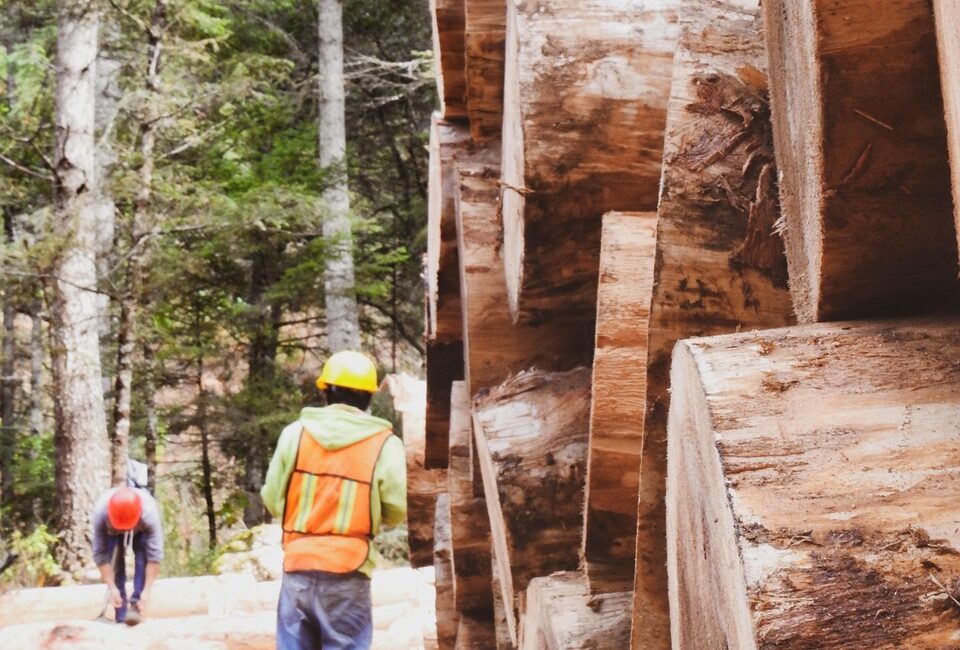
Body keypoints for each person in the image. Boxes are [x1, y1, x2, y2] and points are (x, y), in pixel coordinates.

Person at [261, 350, 407, 650]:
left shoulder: (295, 434)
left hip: (298, 563)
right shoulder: (385, 444)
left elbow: (273, 499)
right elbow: (397, 509)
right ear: (369, 397)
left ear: (325, 391)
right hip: (349, 568)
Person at [91, 486, 164, 625]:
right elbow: (100, 555)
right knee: (114, 560)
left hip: (140, 528)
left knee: (143, 557)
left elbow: (154, 557)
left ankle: (136, 607)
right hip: (111, 530)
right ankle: (120, 612)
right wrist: (112, 588)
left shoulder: (149, 513)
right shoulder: (101, 513)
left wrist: (146, 591)